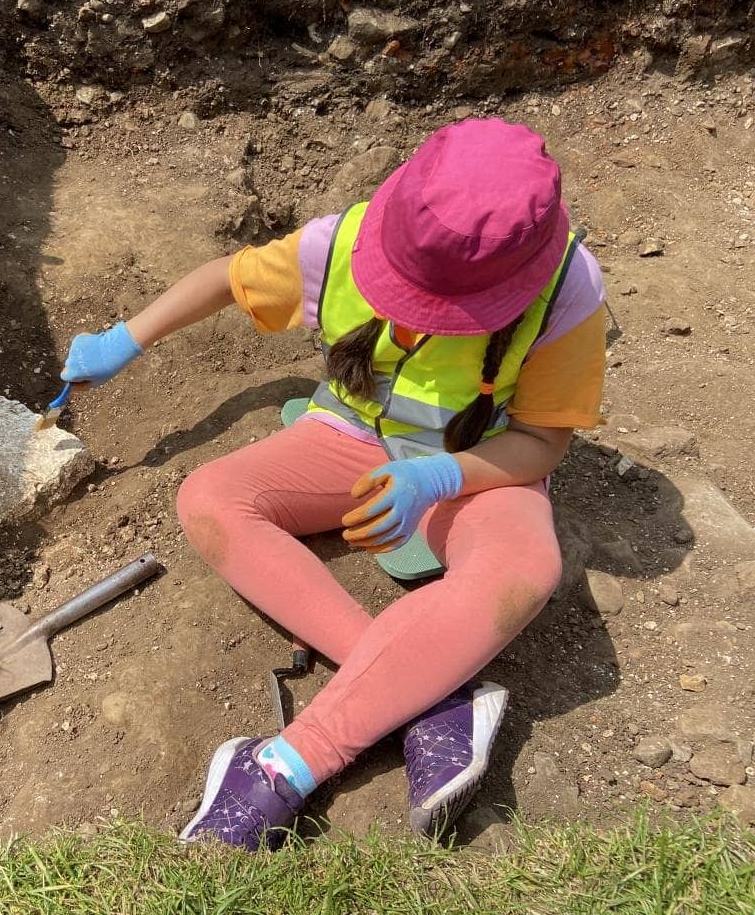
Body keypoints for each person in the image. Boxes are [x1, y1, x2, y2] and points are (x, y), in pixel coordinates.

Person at [58, 119, 606, 850]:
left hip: (476, 468)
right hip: (349, 440)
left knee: (524, 570)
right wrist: (124, 340)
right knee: (210, 499)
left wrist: (440, 475)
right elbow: (229, 277)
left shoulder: (566, 288)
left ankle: (286, 762)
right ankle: (428, 695)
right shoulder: (342, 243)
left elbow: (541, 442)